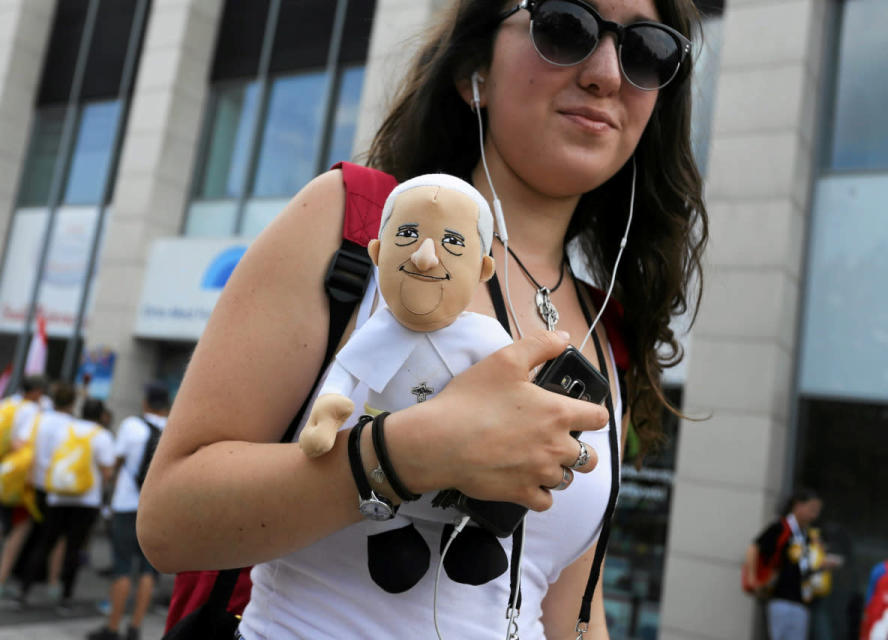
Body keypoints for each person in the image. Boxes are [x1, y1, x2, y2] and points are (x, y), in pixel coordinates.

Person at [138, 0, 708, 638]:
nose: (606, 72)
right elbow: (169, 522)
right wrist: (407, 454)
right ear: (475, 74)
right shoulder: (351, 222)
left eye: (646, 50)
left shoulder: (609, 338)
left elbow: (571, 610)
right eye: (565, 26)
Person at [18, 383, 115, 611]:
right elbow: (108, 471)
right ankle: (65, 597)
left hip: (57, 496)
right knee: (73, 549)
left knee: (45, 543)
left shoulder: (65, 429)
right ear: (101, 415)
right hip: (86, 500)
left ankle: (23, 591)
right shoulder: (101, 436)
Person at [88, 384, 169, 640]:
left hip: (126, 506)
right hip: (156, 509)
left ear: (146, 402)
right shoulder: (172, 429)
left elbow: (115, 463)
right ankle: (135, 628)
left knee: (122, 568)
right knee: (147, 572)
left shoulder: (131, 426)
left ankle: (112, 627)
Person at [744, 488, 841, 640]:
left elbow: (805, 569)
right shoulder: (781, 528)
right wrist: (752, 580)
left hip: (802, 602)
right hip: (780, 598)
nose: (814, 515)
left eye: (817, 511)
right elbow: (754, 548)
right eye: (811, 509)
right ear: (797, 506)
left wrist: (822, 566)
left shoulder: (809, 535)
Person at [0, 375, 47, 597]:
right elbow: (21, 442)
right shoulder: (32, 412)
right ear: (37, 391)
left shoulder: (8, 403)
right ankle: (0, 580)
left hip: (3, 471)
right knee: (19, 529)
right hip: (21, 479)